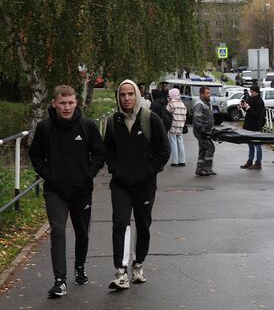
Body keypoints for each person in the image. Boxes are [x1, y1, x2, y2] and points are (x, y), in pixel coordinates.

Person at [29, 85, 106, 298]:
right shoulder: (45, 128)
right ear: (54, 103)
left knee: (82, 232)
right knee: (58, 231)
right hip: (55, 191)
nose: (66, 107)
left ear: (76, 103)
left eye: (70, 102)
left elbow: (100, 153)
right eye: (62, 103)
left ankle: (79, 267)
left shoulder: (87, 126)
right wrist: (48, 174)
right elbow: (35, 155)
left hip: (81, 191)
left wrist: (88, 174)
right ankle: (60, 280)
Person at [103, 80, 170, 290]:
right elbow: (108, 150)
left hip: (145, 185)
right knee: (121, 223)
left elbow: (164, 150)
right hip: (121, 184)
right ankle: (121, 271)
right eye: (122, 94)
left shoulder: (151, 119)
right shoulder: (113, 121)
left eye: (130, 94)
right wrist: (116, 169)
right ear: (118, 97)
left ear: (137, 95)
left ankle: (138, 264)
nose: (127, 98)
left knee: (143, 224)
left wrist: (148, 172)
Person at [240, 85, 265, 169]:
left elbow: (256, 114)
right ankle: (250, 161)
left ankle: (258, 162)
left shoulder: (259, 101)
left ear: (256, 92)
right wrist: (243, 107)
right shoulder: (252, 99)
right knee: (250, 144)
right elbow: (249, 111)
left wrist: (248, 107)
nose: (251, 93)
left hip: (255, 126)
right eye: (251, 92)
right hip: (249, 125)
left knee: (257, 145)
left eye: (252, 92)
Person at [192, 86, 216, 176]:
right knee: (210, 147)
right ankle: (207, 168)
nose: (209, 95)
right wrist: (203, 130)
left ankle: (200, 169)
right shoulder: (199, 104)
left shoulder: (206, 103)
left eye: (209, 93)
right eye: (207, 93)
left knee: (203, 149)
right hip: (201, 131)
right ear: (202, 94)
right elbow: (197, 119)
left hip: (205, 131)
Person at [166, 88, 188, 167]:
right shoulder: (182, 104)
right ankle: (182, 160)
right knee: (181, 143)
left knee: (173, 143)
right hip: (180, 126)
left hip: (173, 126)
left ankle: (175, 161)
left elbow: (166, 113)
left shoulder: (171, 104)